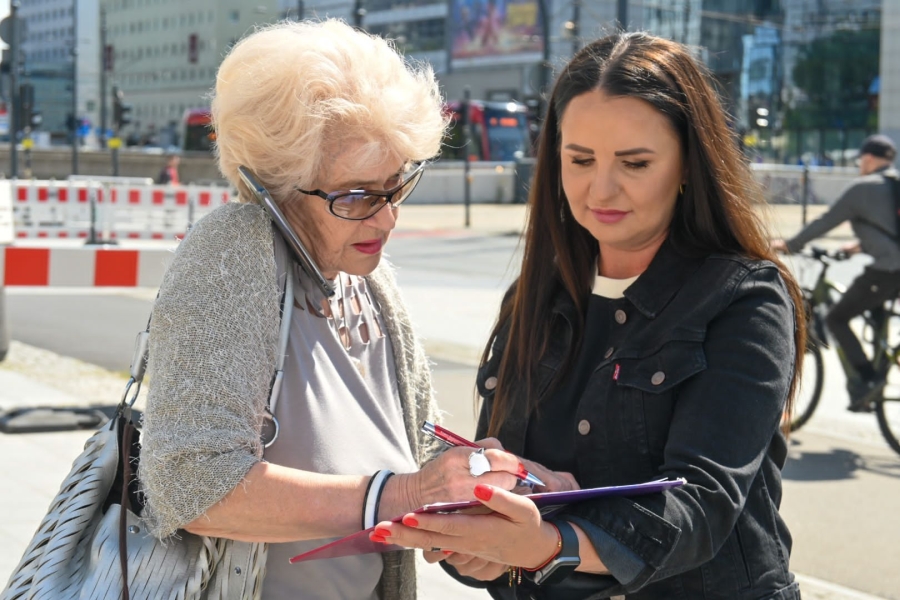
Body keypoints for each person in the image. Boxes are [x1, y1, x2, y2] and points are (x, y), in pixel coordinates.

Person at [137, 20, 571, 600]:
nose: (387, 217)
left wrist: (479, 492)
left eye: (396, 185)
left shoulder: (368, 279)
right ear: (277, 185)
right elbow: (189, 484)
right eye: (358, 195)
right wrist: (407, 494)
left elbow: (416, 452)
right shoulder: (234, 250)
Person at [373, 31, 806, 599]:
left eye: (635, 162)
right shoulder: (536, 295)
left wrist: (552, 544)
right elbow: (498, 475)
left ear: (688, 164)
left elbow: (700, 505)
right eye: (579, 160)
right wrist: (478, 537)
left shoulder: (743, 297)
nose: (602, 188)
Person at [773, 134, 900, 412]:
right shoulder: (894, 184)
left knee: (836, 318)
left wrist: (790, 244)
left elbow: (827, 220)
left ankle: (867, 380)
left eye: (860, 160)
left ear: (868, 158)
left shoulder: (862, 188)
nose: (860, 165)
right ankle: (875, 373)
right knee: (872, 312)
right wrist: (860, 246)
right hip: (893, 272)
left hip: (888, 271)